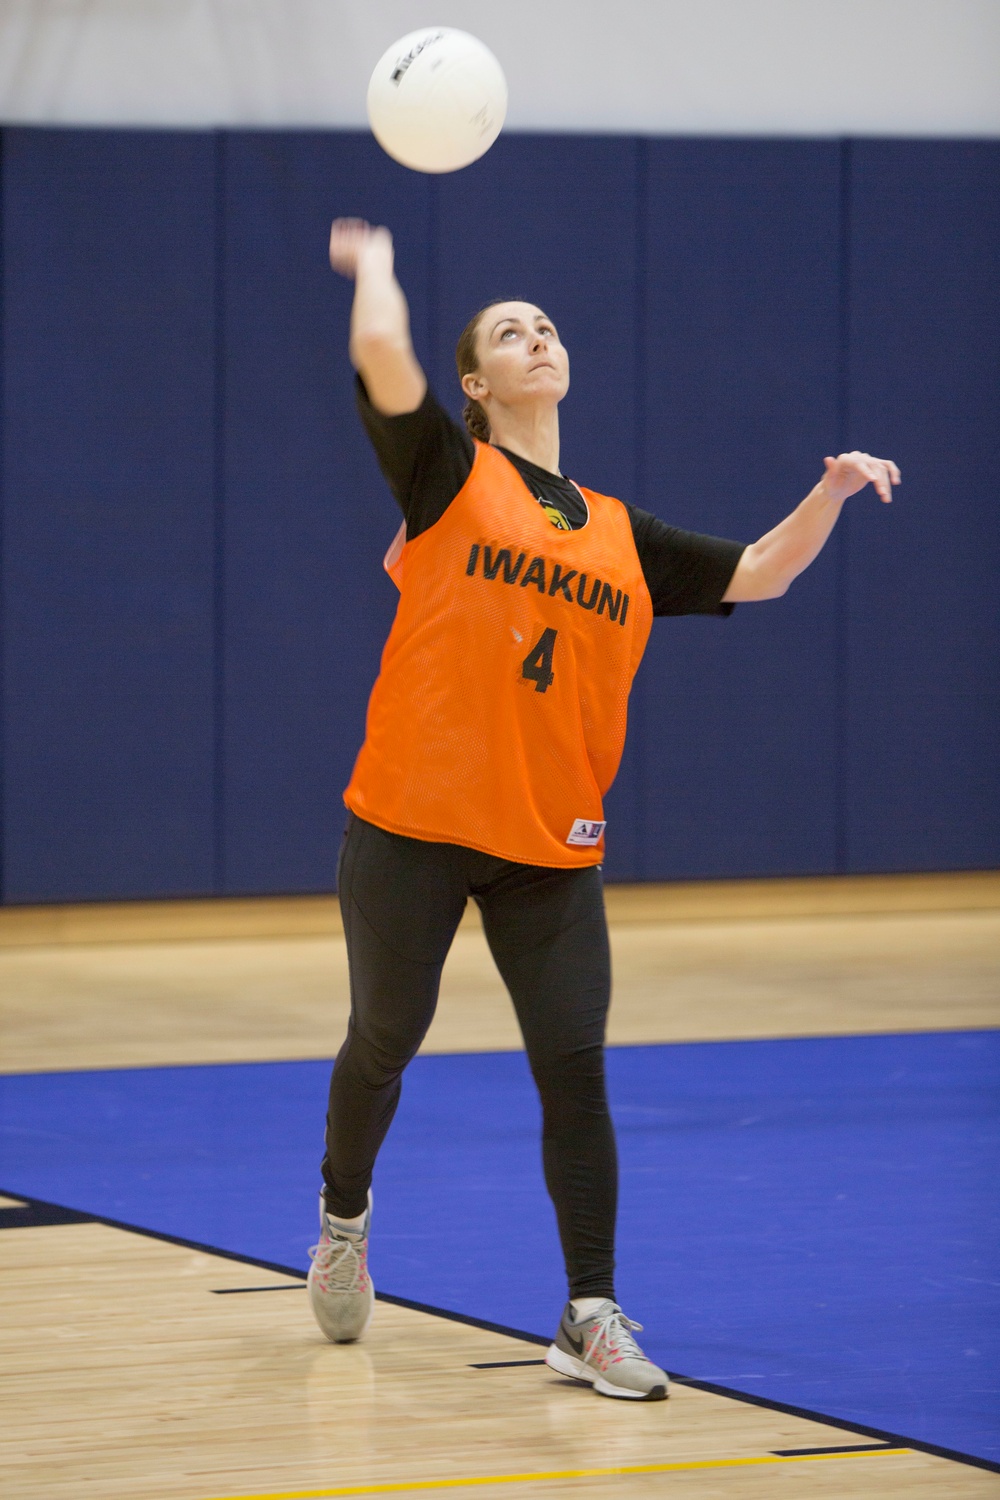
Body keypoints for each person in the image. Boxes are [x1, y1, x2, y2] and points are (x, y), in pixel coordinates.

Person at [306, 217, 900, 1401]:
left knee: (574, 1065)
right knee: (386, 1039)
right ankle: (342, 1219)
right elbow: (382, 354)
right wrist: (371, 264)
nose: (538, 336)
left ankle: (586, 1314)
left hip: (548, 844)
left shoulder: (622, 535)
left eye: (548, 326)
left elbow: (761, 572)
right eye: (510, 332)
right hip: (410, 825)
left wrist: (828, 491)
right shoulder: (446, 475)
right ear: (475, 382)